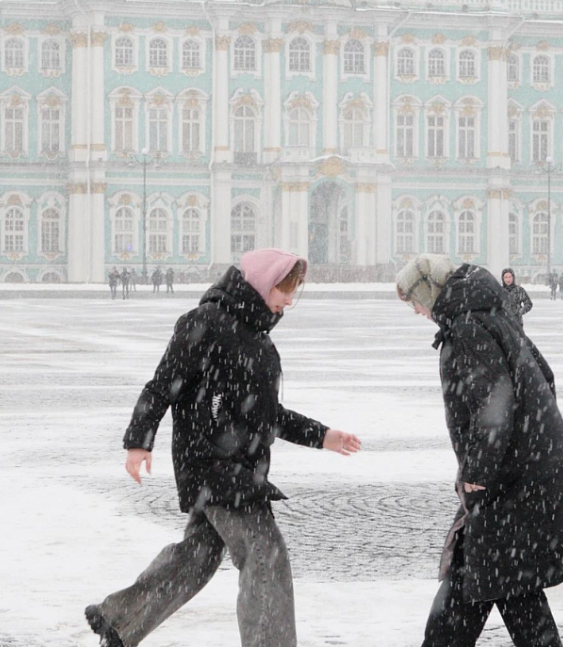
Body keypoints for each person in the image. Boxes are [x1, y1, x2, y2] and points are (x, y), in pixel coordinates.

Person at [86, 248, 362, 647]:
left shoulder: (258, 338)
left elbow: (266, 414)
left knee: (197, 557)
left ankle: (119, 620)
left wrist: (322, 436)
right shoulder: (206, 323)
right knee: (265, 555)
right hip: (215, 464)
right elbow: (161, 386)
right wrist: (138, 442)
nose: (289, 301)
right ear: (263, 283)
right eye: (286, 290)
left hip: (236, 465)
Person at [394, 256, 563, 647]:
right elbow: (544, 375)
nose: (418, 312)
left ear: (429, 293)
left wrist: (477, 470)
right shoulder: (490, 315)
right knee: (509, 588)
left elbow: (496, 404)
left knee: (476, 591)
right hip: (516, 476)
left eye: (414, 302)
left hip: (501, 485)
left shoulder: (469, 327)